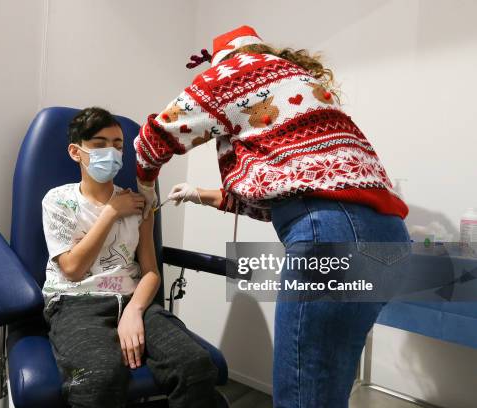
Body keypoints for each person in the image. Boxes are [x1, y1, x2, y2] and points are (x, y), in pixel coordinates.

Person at [134, 25, 410, 407]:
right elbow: (294, 186)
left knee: (301, 397)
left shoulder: (232, 73)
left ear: (220, 61)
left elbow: (154, 138)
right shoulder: (300, 82)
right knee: (326, 390)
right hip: (388, 241)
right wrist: (202, 195)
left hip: (331, 236)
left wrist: (146, 185)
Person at [41, 107, 219, 408]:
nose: (111, 152)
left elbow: (150, 271)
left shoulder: (140, 204)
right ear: (76, 152)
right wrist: (111, 213)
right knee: (100, 377)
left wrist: (134, 311)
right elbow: (72, 269)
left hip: (133, 300)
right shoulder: (59, 200)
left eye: (118, 145)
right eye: (99, 144)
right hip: (77, 302)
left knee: (195, 364)